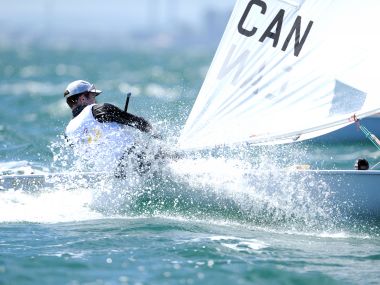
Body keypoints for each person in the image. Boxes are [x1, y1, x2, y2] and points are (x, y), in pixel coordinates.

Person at [64, 79, 157, 176]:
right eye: (92, 97)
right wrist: (156, 134)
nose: (95, 100)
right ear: (82, 98)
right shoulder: (96, 110)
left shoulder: (68, 132)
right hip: (134, 159)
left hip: (111, 174)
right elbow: (138, 122)